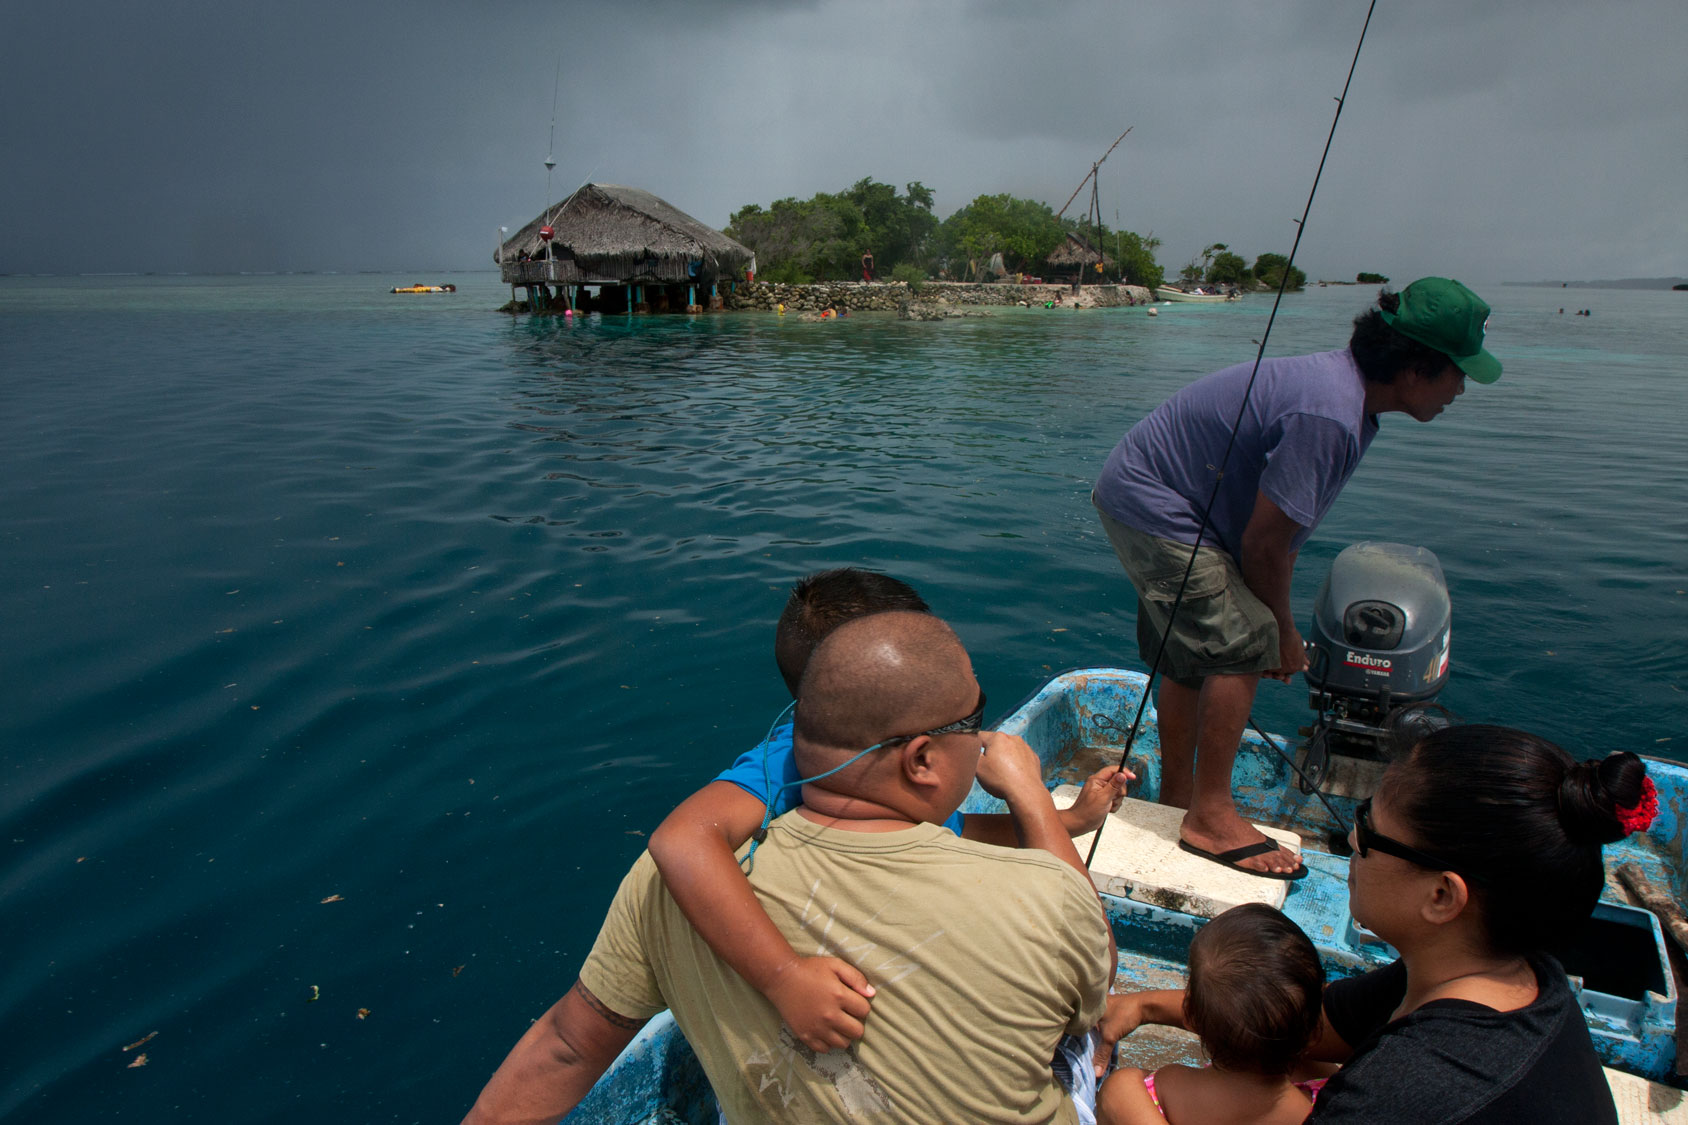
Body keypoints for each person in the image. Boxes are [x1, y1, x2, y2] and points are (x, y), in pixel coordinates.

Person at [461, 611, 1115, 1124]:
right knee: (1088, 1039)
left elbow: (566, 1048)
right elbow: (1097, 974)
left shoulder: (667, 886)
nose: (983, 739)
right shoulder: (1045, 893)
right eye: (974, 721)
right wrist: (1033, 795)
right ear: (921, 759)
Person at [1092, 277, 1502, 878]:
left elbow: (1265, 535)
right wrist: (1281, 633)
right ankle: (1208, 813)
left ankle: (1180, 796)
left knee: (1187, 654)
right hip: (1160, 506)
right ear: (1416, 368)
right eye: (1457, 373)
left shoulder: (1341, 394)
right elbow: (1265, 543)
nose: (1461, 389)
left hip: (1151, 496)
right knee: (1246, 640)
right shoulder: (1330, 414)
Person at [650, 568, 1129, 1051]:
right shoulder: (787, 759)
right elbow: (682, 838)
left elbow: (957, 827)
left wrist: (1070, 820)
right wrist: (783, 976)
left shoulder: (881, 778)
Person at [1300, 725, 1647, 1123]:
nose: (1351, 838)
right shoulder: (1513, 972)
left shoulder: (1394, 1095)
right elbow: (1312, 1024)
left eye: (1368, 827)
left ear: (1443, 895)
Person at [1094, 904, 1326, 1125]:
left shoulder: (1161, 1089)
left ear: (1190, 1016)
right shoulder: (1327, 1105)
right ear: (1315, 1033)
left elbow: (1117, 1093)